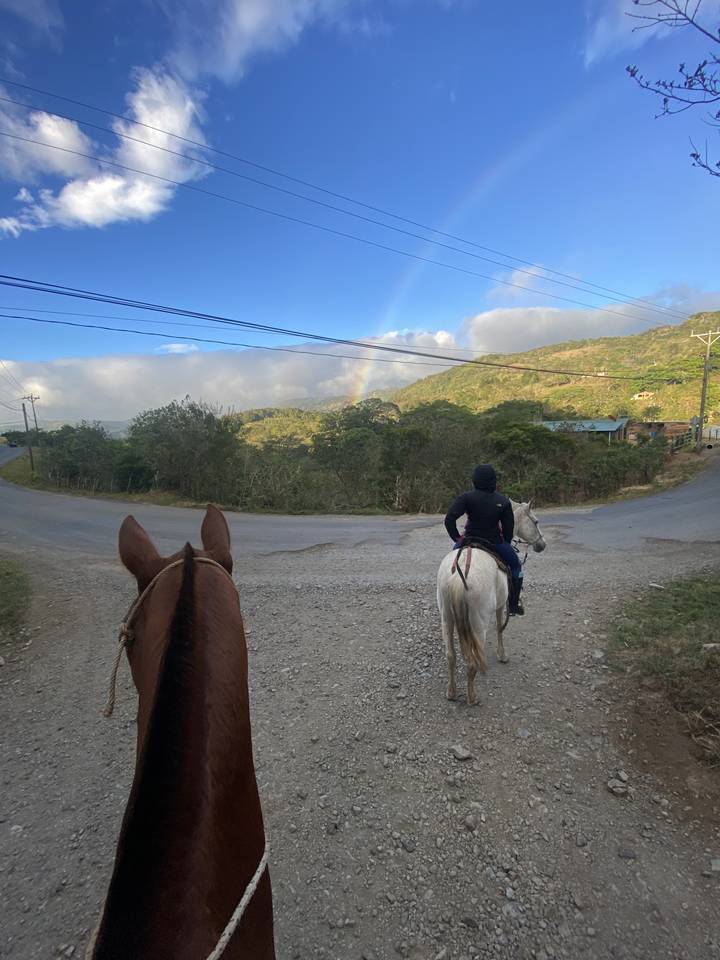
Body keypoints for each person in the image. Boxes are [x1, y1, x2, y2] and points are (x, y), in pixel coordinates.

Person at [444, 463, 524, 615]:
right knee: (516, 568)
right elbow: (508, 530)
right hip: (494, 542)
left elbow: (449, 519)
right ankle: (513, 606)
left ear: (474, 480)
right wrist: (505, 542)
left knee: (451, 564)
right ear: (494, 481)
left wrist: (457, 538)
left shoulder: (466, 498)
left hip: (468, 540)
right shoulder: (503, 501)